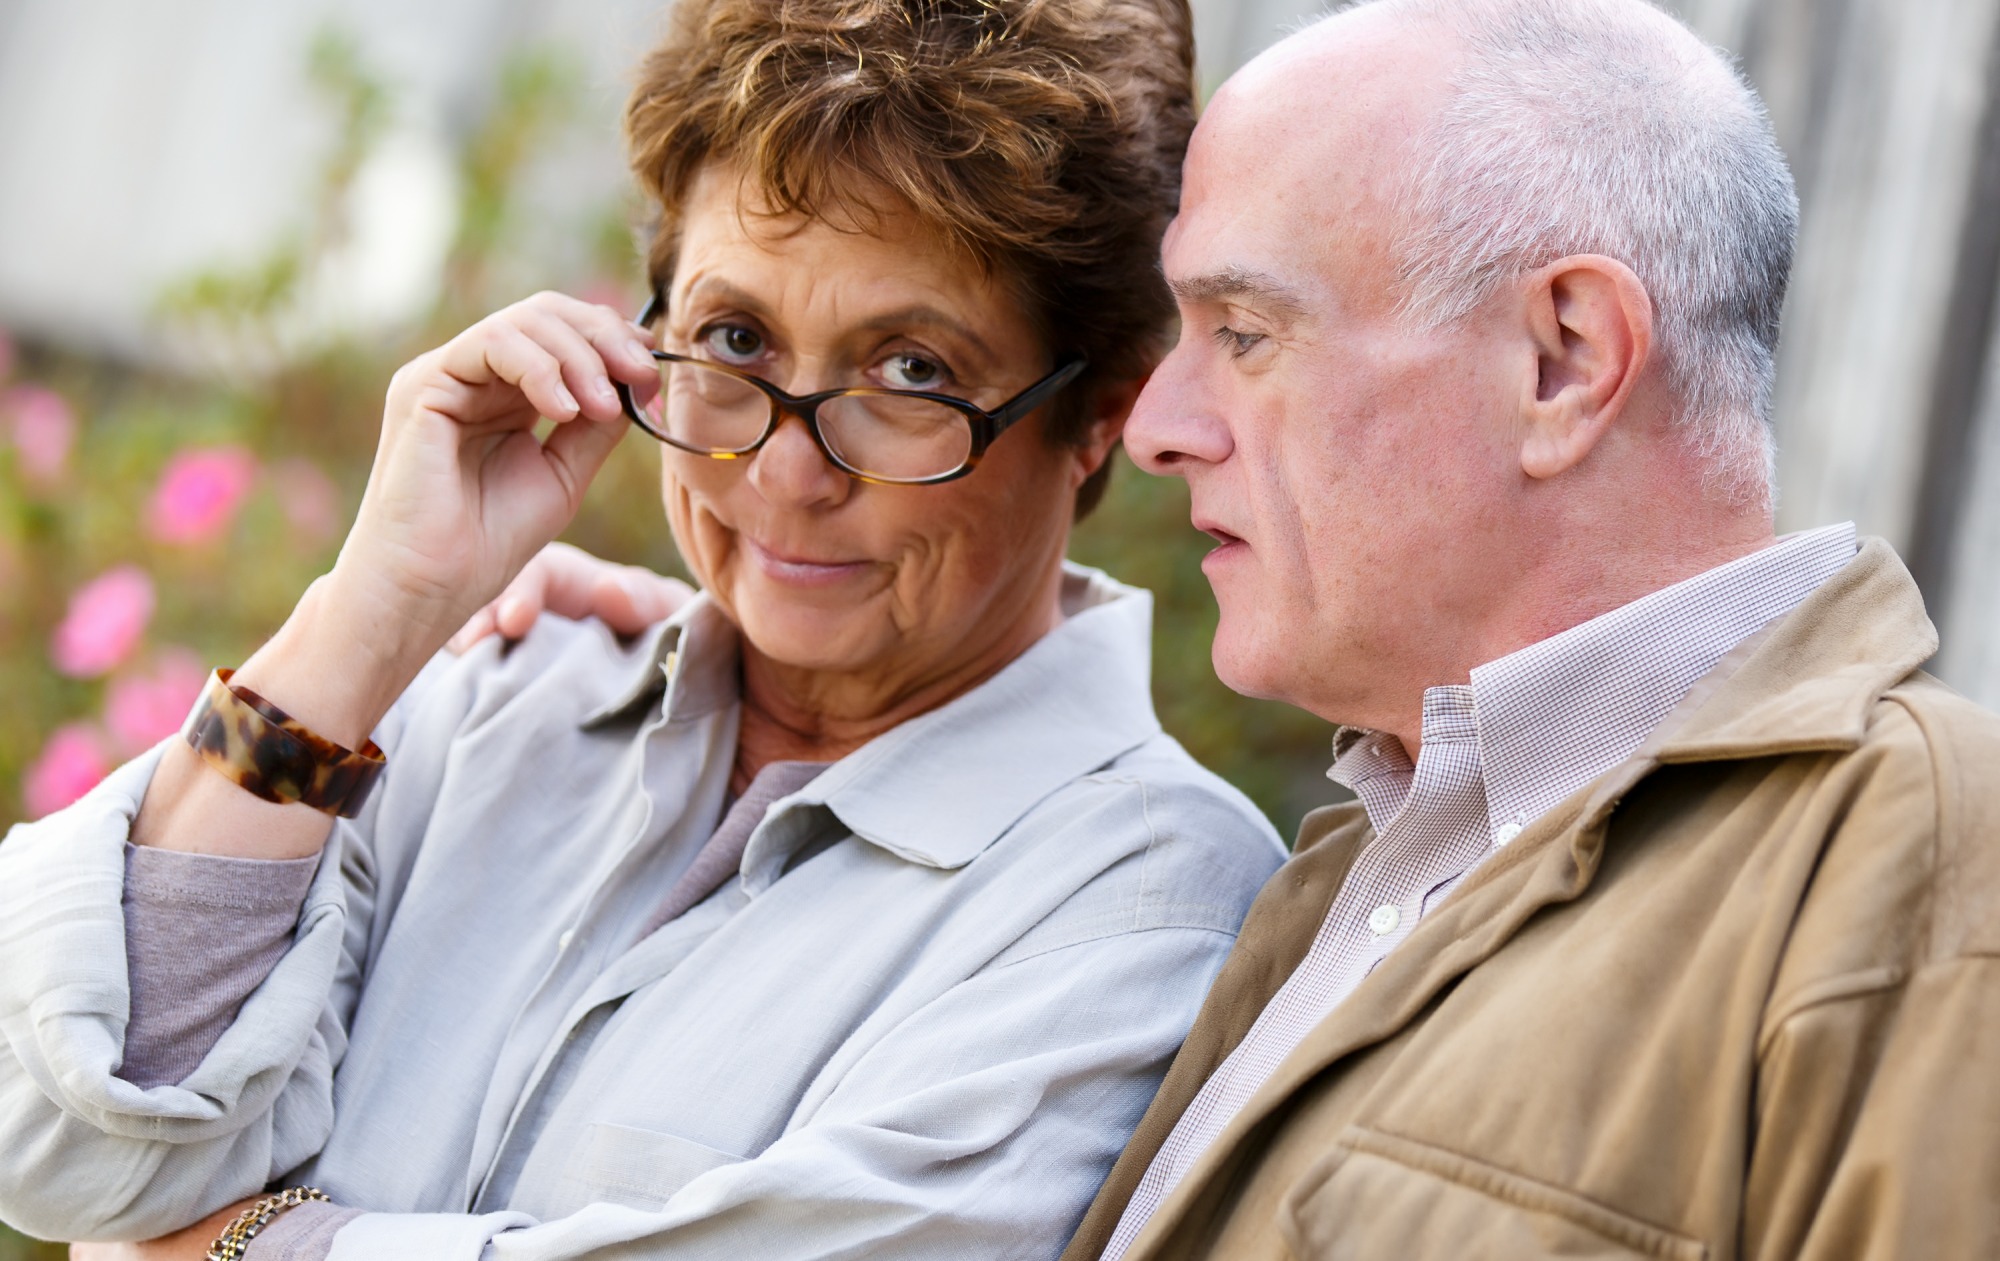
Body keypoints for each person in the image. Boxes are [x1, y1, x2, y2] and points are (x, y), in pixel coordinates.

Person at [503, 0, 2000, 1256]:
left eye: (1245, 333)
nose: (1152, 425)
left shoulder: (1921, 859)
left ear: (1563, 358)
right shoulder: (1360, 872)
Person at [0, 2, 1287, 1259]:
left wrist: (235, 1243)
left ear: (1101, 413)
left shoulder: (1144, 908)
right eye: (734, 338)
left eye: (912, 373)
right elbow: (69, 1142)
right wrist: (368, 618)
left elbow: (136, 1219)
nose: (787, 475)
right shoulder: (486, 696)